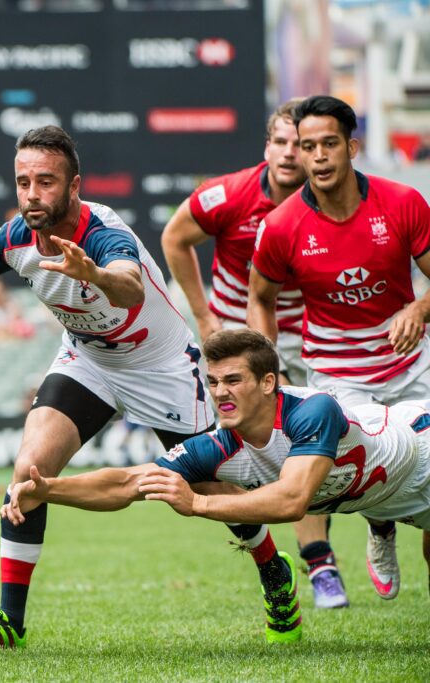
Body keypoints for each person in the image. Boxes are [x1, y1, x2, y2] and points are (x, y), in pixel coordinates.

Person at [0, 125, 214, 651]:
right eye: (23, 182)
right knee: (29, 471)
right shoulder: (14, 238)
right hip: (89, 361)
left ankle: (272, 571)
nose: (32, 194)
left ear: (74, 186)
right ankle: (9, 621)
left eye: (45, 182)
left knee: (214, 489)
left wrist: (92, 273)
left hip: (159, 366)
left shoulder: (104, 232)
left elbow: (130, 287)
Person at [5, 329, 430, 643]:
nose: (220, 393)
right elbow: (130, 482)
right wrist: (48, 490)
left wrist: (198, 504)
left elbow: (292, 501)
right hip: (369, 494)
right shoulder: (217, 446)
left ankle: (381, 525)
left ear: (268, 383)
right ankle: (380, 521)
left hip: (419, 457)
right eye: (212, 382)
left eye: (233, 380)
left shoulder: (312, 410)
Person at [162, 99, 348, 609]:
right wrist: (203, 316)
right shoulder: (228, 194)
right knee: (238, 454)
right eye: (279, 142)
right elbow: (174, 238)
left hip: (312, 336)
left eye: (298, 144)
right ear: (267, 147)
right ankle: (304, 563)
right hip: (237, 339)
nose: (289, 153)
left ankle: (332, 554)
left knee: (313, 443)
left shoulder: (333, 199)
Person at [248, 95, 430, 603]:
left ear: (352, 147)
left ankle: (388, 524)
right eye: (308, 146)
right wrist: (267, 368)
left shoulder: (403, 203)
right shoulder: (281, 225)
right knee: (359, 473)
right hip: (337, 375)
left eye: (329, 143)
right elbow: (259, 298)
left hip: (411, 364)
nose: (318, 156)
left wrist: (418, 309)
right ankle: (380, 524)